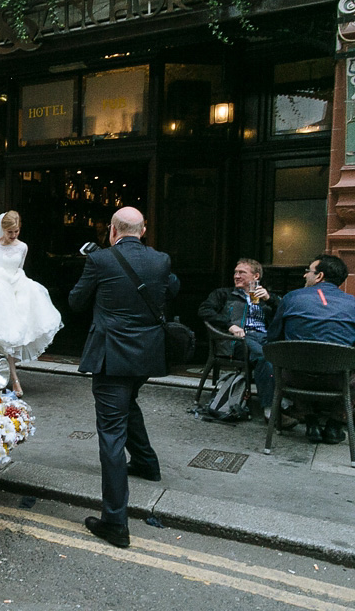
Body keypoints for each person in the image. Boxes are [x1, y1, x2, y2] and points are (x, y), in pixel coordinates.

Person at [69, 206, 179, 548]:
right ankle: (147, 463)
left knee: (111, 435)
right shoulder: (161, 260)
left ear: (113, 230)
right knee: (128, 404)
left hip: (111, 357)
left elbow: (75, 301)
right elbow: (171, 290)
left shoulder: (100, 260)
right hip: (145, 357)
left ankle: (115, 522)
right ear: (143, 230)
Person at [0, 211, 63, 397]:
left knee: (13, 335)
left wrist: (13, 280)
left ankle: (13, 376)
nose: (13, 235)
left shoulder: (22, 247)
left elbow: (19, 268)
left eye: (16, 231)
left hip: (17, 290)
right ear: (2, 229)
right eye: (10, 232)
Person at [268, 254, 355, 444]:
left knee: (293, 360)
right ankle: (335, 423)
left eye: (308, 271)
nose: (304, 276)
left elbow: (273, 338)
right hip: (338, 380)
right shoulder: (353, 304)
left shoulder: (291, 298)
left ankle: (311, 421)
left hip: (295, 379)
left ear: (319, 276)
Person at [197, 258, 279, 419]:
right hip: (238, 339)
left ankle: (287, 404)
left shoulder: (266, 297)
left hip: (264, 337)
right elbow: (204, 310)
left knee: (281, 354)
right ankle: (270, 408)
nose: (236, 276)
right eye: (235, 272)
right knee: (264, 356)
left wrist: (271, 300)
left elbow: (285, 315)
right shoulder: (223, 294)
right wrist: (230, 326)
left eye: (242, 272)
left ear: (256, 276)